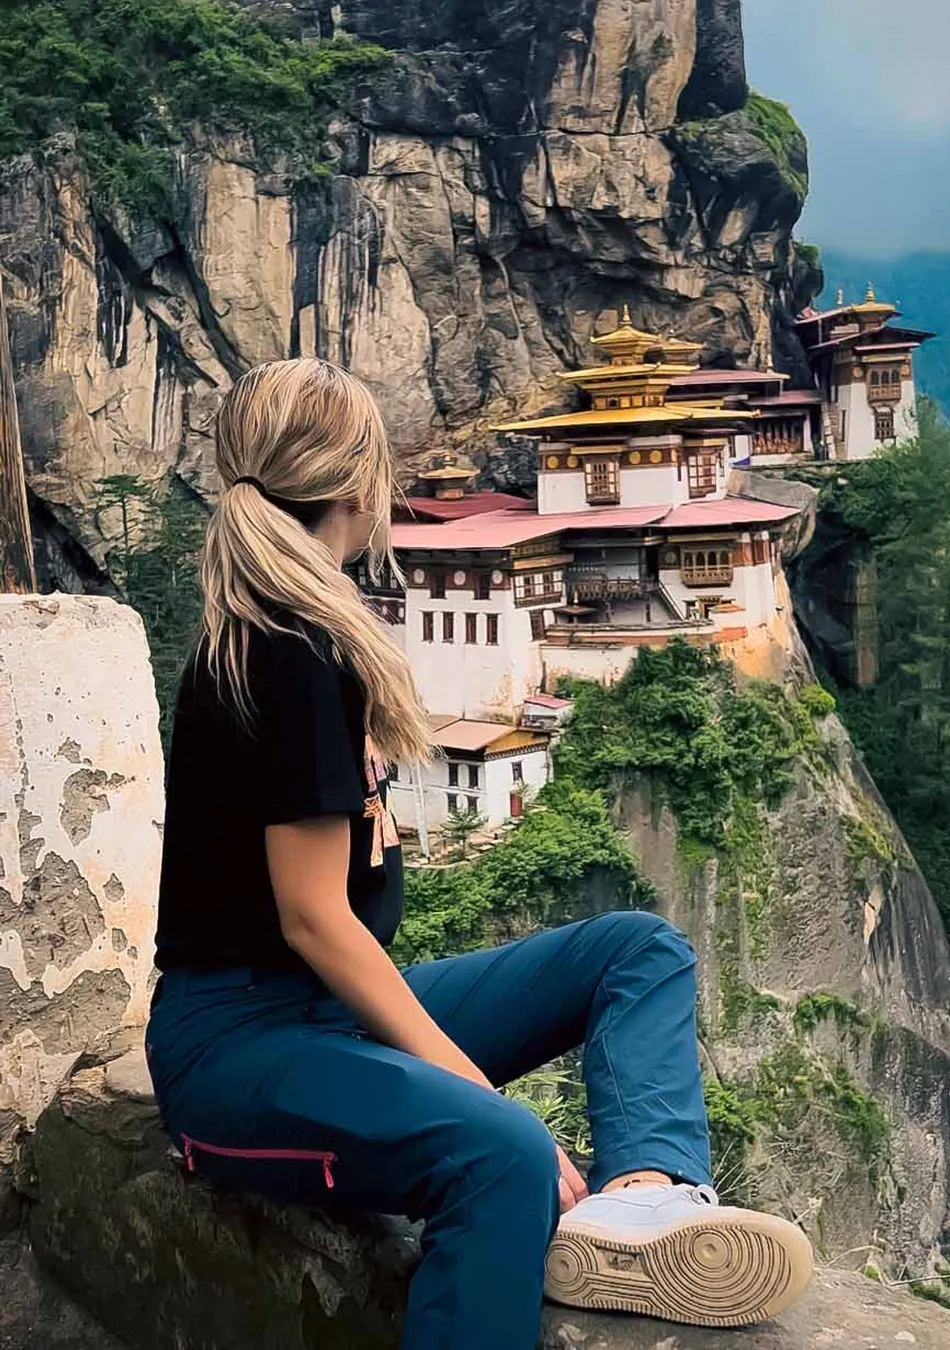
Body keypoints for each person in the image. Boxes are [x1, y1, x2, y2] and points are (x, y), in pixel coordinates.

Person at [145, 357, 812, 1350]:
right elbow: (314, 918)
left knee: (636, 951)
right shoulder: (285, 654)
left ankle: (639, 1199)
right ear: (359, 486)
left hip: (322, 1017)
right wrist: (479, 1087)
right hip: (237, 1048)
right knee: (500, 1150)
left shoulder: (307, 637)